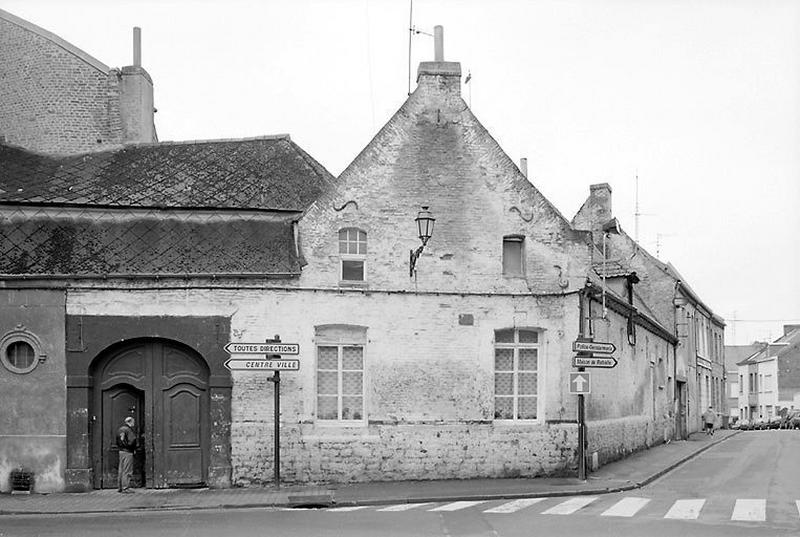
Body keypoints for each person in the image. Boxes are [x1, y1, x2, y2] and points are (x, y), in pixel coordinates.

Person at [117, 416, 138, 493]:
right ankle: (125, 487)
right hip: (128, 452)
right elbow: (132, 441)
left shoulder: (120, 430)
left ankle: (120, 487)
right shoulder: (129, 430)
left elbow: (117, 441)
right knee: (127, 470)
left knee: (121, 469)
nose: (134, 424)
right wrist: (133, 448)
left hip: (121, 451)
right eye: (133, 422)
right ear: (130, 422)